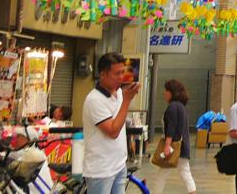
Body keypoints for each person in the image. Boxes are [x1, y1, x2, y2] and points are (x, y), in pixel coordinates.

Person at [83, 52, 141, 194]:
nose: (121, 77)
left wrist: (126, 97)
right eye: (117, 73)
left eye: (123, 72)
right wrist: (127, 101)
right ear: (103, 74)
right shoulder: (94, 100)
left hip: (119, 165)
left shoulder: (120, 93)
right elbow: (113, 131)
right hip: (101, 171)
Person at [146, 79, 196, 194]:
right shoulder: (181, 106)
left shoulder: (172, 106)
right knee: (185, 174)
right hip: (182, 146)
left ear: (172, 92)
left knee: (161, 176)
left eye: (166, 90)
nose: (164, 93)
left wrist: (167, 145)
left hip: (174, 147)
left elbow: (171, 128)